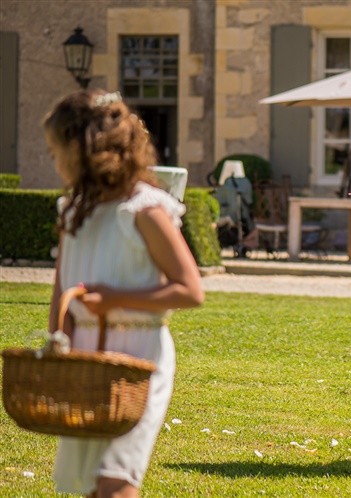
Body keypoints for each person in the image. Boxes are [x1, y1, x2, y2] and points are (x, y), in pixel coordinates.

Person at [44, 89, 204, 497]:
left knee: (117, 479)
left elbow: (190, 290)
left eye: (56, 149)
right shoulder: (72, 211)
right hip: (84, 352)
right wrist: (57, 346)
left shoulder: (146, 209)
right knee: (91, 483)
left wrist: (115, 299)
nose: (52, 159)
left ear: (87, 149)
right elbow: (61, 290)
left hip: (138, 358)